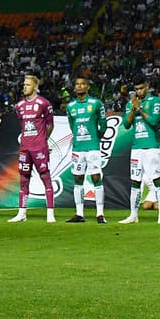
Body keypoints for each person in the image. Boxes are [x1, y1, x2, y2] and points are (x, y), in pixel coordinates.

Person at [120, 75, 160, 225]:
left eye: (141, 88)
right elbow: (126, 125)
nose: (139, 92)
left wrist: (139, 108)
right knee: (135, 181)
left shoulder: (154, 101)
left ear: (147, 87)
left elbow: (154, 121)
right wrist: (133, 109)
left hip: (150, 147)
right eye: (136, 89)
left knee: (156, 179)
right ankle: (133, 215)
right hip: (136, 148)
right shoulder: (131, 104)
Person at [9, 73, 56, 223]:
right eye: (24, 85)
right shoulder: (19, 106)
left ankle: (50, 214)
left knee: (45, 177)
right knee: (23, 179)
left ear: (35, 86)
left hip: (39, 147)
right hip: (25, 147)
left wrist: (42, 140)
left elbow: (50, 125)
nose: (24, 87)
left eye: (27, 85)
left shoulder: (44, 103)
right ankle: (22, 213)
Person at [65, 76, 108, 223]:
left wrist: (97, 137)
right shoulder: (70, 106)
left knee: (96, 177)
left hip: (93, 147)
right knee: (78, 178)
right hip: (78, 148)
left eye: (82, 84)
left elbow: (103, 124)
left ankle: (100, 214)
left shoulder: (96, 103)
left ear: (88, 87)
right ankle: (79, 214)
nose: (79, 86)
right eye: (77, 84)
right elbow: (72, 124)